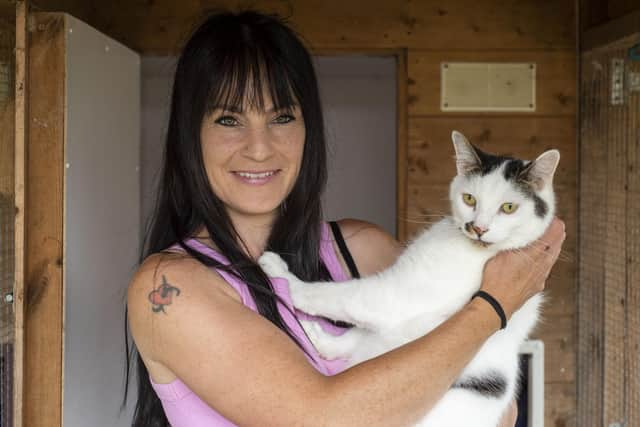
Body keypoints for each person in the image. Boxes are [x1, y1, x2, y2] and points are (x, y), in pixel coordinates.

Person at [124, 10, 565, 427]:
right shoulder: (168, 289)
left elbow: (498, 408)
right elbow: (322, 418)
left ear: (307, 127)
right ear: (190, 135)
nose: (259, 148)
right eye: (228, 119)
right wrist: (492, 307)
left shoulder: (361, 248)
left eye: (281, 116)